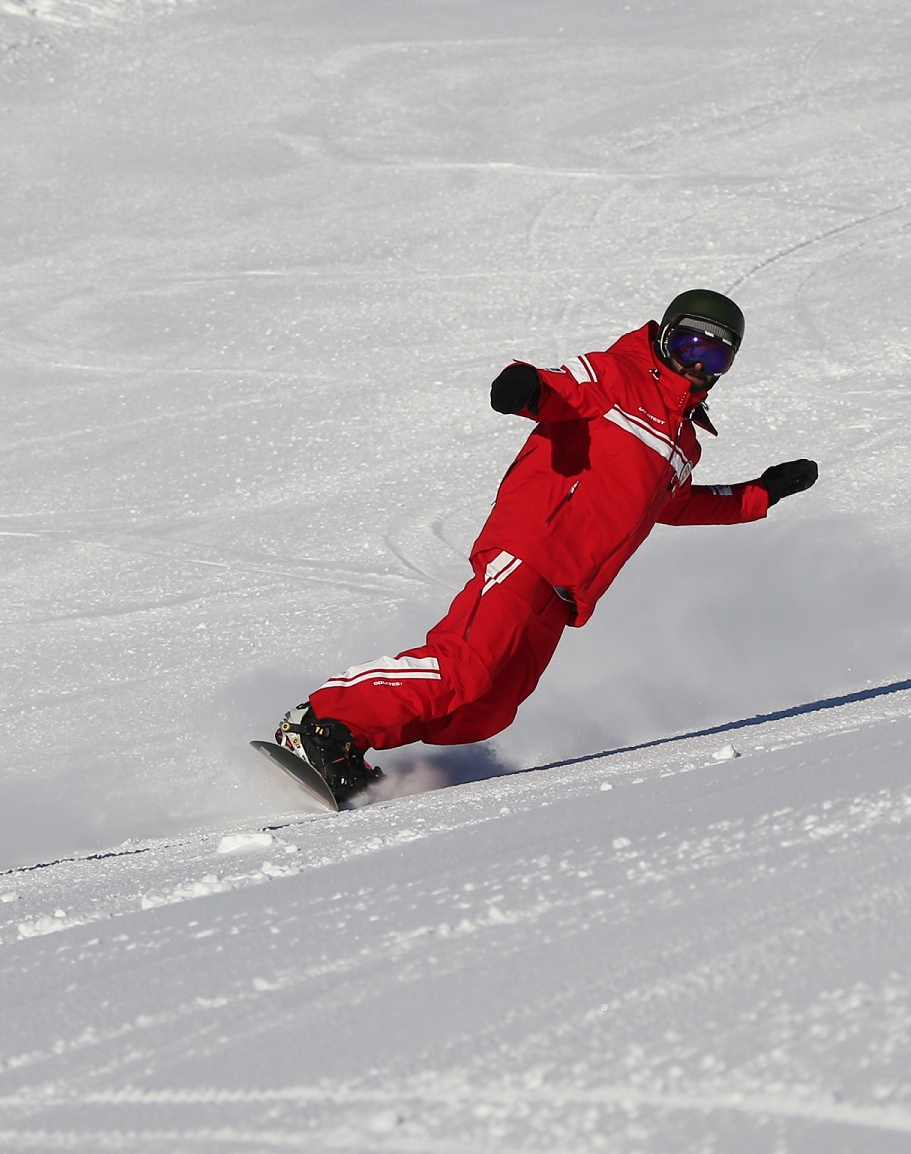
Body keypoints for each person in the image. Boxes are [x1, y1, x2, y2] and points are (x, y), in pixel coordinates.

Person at [272, 290, 818, 801]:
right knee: (464, 667)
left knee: (488, 708)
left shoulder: (684, 442)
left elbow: (671, 506)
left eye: (716, 358)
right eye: (689, 344)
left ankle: (351, 746)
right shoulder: (615, 375)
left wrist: (759, 494)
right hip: (530, 547)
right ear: (664, 336)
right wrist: (524, 386)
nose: (699, 364)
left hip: (567, 589)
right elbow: (558, 388)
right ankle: (321, 721)